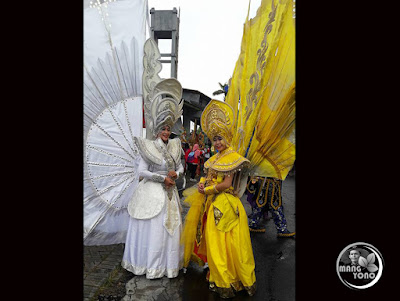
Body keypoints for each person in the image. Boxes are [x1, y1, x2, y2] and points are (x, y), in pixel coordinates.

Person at [181, 100, 256, 298]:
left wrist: (206, 190)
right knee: (213, 241)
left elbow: (226, 185)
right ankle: (216, 272)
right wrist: (201, 183)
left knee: (227, 242)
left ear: (228, 138)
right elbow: (209, 175)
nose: (217, 143)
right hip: (211, 203)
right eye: (214, 139)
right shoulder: (214, 158)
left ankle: (228, 277)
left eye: (220, 138)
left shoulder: (232, 157)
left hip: (225, 204)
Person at [122, 79, 185, 279]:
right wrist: (161, 178)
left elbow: (180, 166)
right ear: (157, 130)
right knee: (153, 231)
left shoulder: (176, 145)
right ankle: (149, 265)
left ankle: (168, 265)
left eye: (168, 129)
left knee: (171, 230)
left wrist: (178, 173)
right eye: (163, 129)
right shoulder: (147, 146)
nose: (166, 132)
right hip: (152, 193)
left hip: (170, 193)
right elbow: (141, 171)